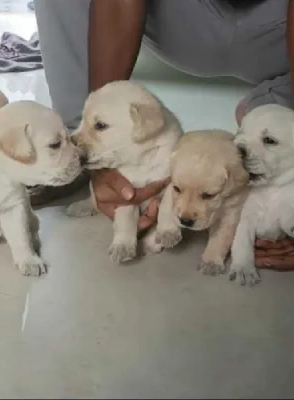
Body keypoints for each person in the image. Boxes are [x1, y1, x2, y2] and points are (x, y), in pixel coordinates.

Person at [34, 0, 294, 270]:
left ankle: (275, 104)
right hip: (187, 19)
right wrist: (98, 156)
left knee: (272, 127)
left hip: (277, 31)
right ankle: (68, 155)